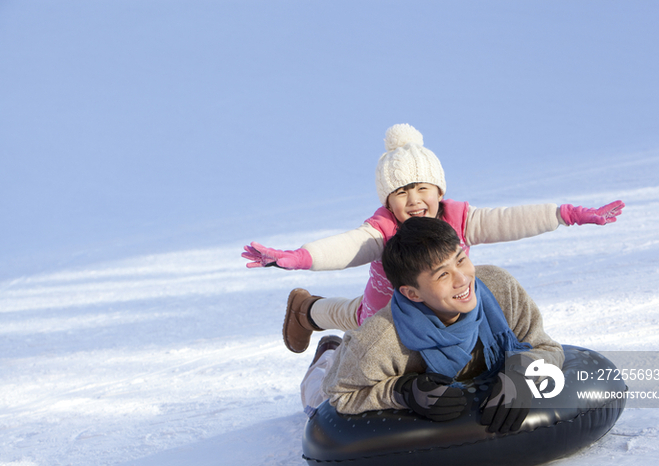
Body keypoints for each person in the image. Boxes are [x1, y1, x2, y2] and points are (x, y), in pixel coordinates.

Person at [242, 123, 624, 353]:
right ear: (389, 201)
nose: (414, 200)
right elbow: (347, 247)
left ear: (438, 190)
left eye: (422, 188)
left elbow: (511, 219)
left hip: (441, 298)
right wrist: (299, 257)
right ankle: (306, 311)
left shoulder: (460, 219)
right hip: (391, 303)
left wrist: (568, 215)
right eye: (401, 193)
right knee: (360, 320)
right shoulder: (384, 229)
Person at [302, 217, 564, 434]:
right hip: (346, 372)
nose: (462, 279)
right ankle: (326, 356)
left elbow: (545, 345)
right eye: (442, 275)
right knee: (317, 396)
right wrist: (402, 391)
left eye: (460, 260)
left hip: (365, 362)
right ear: (412, 293)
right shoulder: (380, 341)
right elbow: (339, 394)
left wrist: (523, 372)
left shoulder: (499, 287)